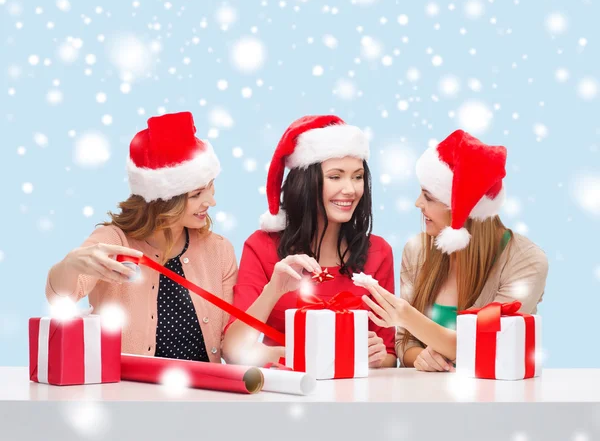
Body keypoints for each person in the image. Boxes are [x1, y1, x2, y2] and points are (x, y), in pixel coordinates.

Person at [45, 111, 237, 363]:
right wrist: (69, 266)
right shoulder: (113, 242)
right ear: (164, 201)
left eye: (210, 187)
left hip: (201, 396)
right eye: (197, 194)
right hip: (126, 397)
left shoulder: (219, 251)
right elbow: (60, 296)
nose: (211, 201)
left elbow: (228, 344)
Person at [362, 129, 548, 371]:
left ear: (460, 208)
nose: (418, 203)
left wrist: (406, 316)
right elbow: (403, 343)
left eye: (428, 196)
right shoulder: (418, 250)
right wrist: (420, 357)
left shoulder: (526, 261)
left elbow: (490, 347)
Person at [222, 115, 397, 368]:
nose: (350, 189)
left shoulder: (378, 252)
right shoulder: (262, 247)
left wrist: (379, 356)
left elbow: (390, 355)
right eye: (335, 177)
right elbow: (233, 350)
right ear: (305, 182)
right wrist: (274, 288)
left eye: (357, 177)